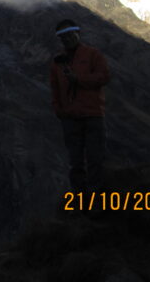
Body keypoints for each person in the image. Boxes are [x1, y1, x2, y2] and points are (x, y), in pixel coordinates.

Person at [50, 19, 110, 191]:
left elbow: (104, 77)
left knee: (95, 159)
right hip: (70, 117)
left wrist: (79, 80)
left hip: (92, 115)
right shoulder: (57, 62)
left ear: (77, 33)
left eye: (70, 34)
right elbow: (55, 87)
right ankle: (80, 200)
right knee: (75, 162)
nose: (67, 38)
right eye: (63, 36)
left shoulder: (93, 55)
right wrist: (58, 108)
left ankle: (95, 201)